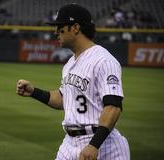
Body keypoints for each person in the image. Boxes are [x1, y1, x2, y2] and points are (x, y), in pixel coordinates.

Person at [16, 3, 130, 160]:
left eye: (60, 27)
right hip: (69, 142)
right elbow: (64, 99)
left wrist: (94, 145)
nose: (55, 32)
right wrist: (34, 92)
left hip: (103, 145)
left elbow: (113, 107)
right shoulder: (69, 64)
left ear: (75, 28)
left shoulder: (103, 61)